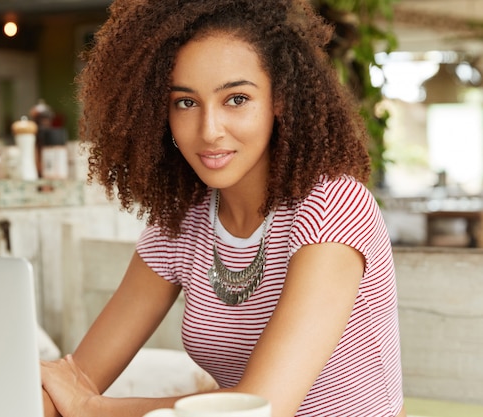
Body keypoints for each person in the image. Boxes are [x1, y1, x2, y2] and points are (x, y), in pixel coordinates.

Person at [41, 0, 405, 416]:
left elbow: (260, 408)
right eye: (186, 103)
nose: (209, 131)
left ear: (280, 99)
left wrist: (91, 410)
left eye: (236, 99)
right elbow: (77, 378)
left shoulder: (332, 207)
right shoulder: (183, 222)